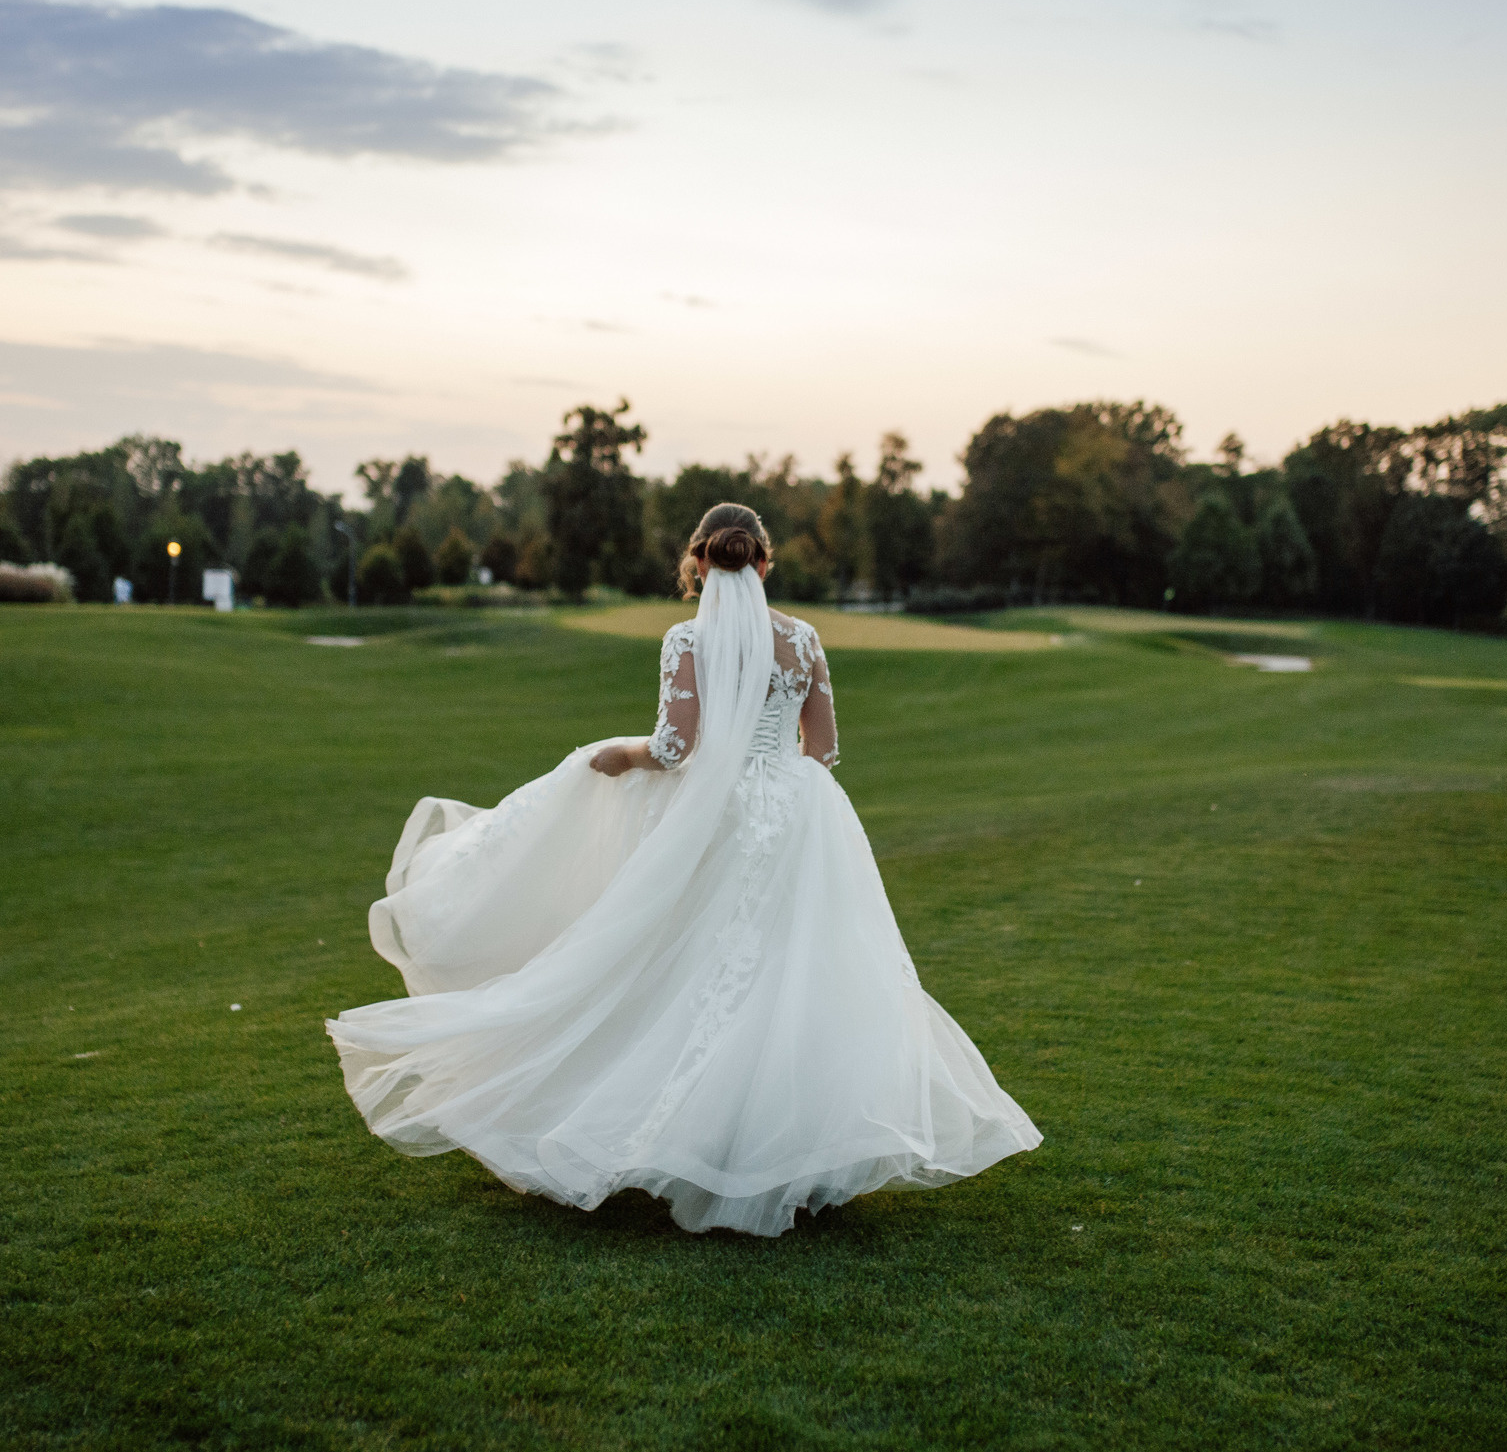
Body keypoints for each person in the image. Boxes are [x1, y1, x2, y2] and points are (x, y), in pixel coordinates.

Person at [327, 502, 1040, 1236]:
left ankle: (684, 1132)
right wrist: (776, 780)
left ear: (698, 565)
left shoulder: (687, 639)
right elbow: (822, 750)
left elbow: (674, 747)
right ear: (765, 562)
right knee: (794, 971)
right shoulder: (803, 639)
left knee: (689, 964)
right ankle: (783, 1148)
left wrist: (622, 755)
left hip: (719, 817)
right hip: (798, 818)